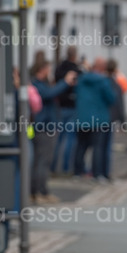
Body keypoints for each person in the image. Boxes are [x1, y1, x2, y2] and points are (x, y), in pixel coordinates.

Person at [30, 57, 75, 203]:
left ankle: (38, 191)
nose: (49, 71)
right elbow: (50, 94)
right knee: (43, 161)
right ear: (42, 69)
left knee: (41, 161)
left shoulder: (41, 84)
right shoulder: (37, 85)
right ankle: (39, 192)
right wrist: (65, 82)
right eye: (47, 68)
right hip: (44, 127)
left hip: (45, 126)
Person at [73, 58, 115, 182]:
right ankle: (97, 174)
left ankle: (77, 172)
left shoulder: (81, 80)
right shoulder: (103, 81)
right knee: (98, 147)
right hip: (99, 119)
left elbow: (75, 93)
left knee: (81, 146)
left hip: (83, 118)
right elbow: (111, 98)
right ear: (103, 68)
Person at [52, 46, 82, 175]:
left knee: (58, 139)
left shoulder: (59, 68)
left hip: (60, 107)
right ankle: (65, 168)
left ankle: (53, 167)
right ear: (75, 55)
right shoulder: (77, 70)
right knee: (70, 139)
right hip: (72, 107)